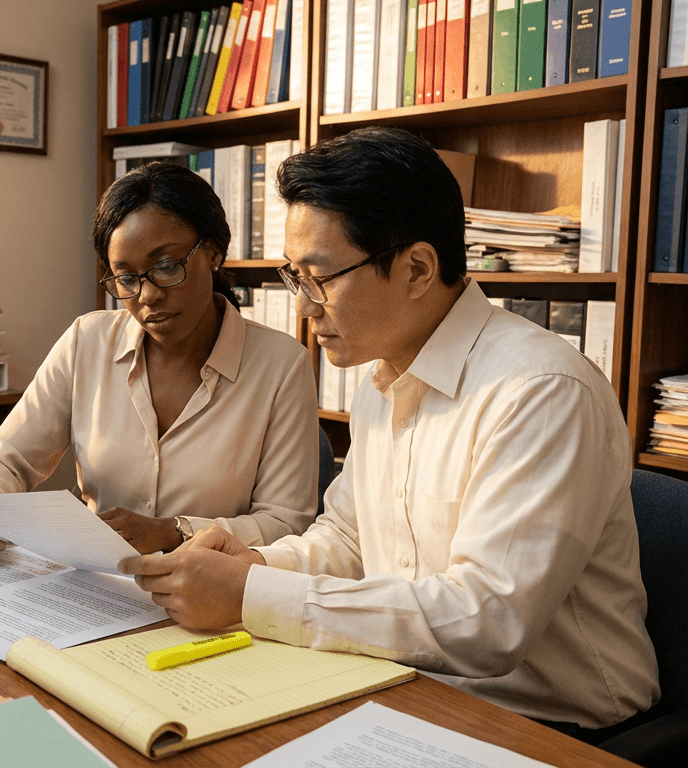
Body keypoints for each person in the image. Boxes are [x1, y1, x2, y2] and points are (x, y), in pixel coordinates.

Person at [119, 127, 660, 735]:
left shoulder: (540, 392)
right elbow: (351, 543)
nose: (303, 306)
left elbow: (488, 623)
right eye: (293, 276)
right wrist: (255, 563)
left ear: (418, 268)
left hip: (548, 725)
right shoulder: (384, 373)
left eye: (319, 277)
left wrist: (251, 594)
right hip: (408, 684)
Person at [0, 162, 319, 558]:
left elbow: (287, 524)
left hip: (208, 596)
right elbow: (6, 458)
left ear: (213, 253)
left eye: (167, 266)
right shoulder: (88, 342)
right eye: (126, 278)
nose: (147, 296)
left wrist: (177, 533)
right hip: (93, 584)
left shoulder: (281, 366)